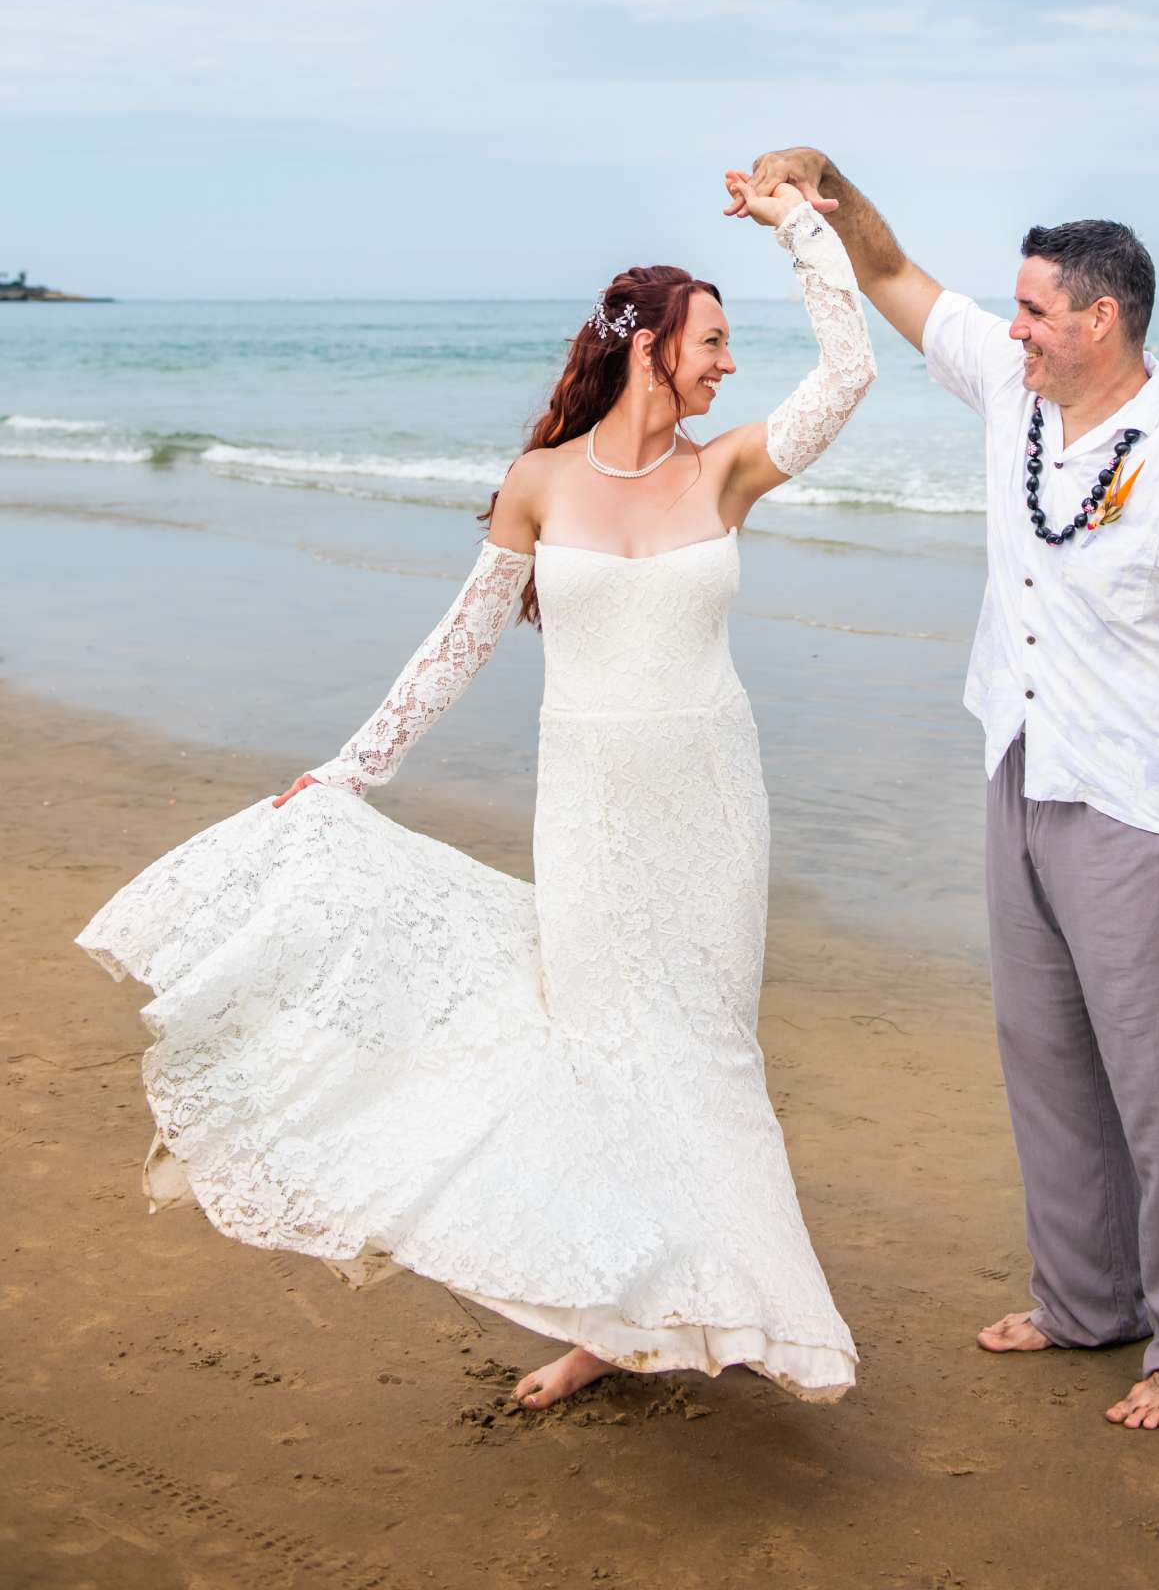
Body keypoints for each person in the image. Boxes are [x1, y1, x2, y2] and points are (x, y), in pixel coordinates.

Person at [77, 177, 875, 1411]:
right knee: (606, 1051)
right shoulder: (539, 482)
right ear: (651, 348)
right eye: (712, 342)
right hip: (593, 811)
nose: (728, 365)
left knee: (706, 1051)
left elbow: (848, 379)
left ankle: (736, 1307)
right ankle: (619, 1315)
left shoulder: (724, 473)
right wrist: (349, 769)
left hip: (712, 805)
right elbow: (455, 645)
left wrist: (800, 231)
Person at [729, 151, 1159, 1431]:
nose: (1015, 328)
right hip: (1019, 766)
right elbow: (884, 270)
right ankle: (1084, 1301)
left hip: (1140, 808)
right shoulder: (1013, 388)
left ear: (1100, 320)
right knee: (1046, 1060)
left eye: (1036, 310)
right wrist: (824, 181)